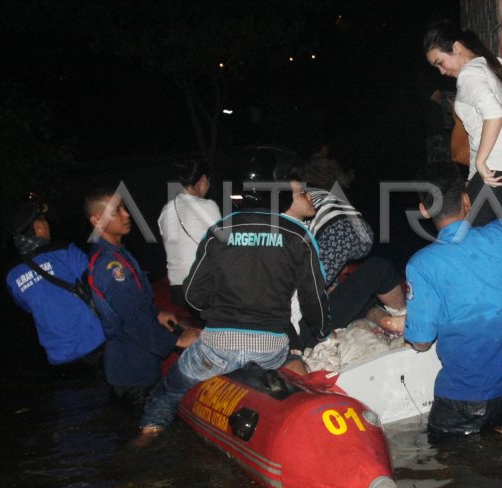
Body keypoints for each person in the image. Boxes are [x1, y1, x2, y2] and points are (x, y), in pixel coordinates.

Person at [138, 174, 329, 437]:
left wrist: (214, 310)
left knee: (168, 390)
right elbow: (314, 299)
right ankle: (307, 419)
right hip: (269, 350)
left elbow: (193, 295)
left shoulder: (219, 230)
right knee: (293, 360)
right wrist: (322, 333)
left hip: (218, 348)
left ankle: (147, 437)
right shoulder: (298, 234)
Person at [404, 149, 502, 442]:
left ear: (423, 209)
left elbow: (421, 343)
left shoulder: (421, 265)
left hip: (467, 402)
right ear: (466, 200)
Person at [86, 188, 200, 406]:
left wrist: (157, 313)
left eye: (125, 208)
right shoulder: (110, 265)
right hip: (132, 374)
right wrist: (177, 340)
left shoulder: (118, 254)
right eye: (116, 211)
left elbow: (133, 303)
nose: (127, 215)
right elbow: (131, 318)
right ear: (97, 220)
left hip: (136, 366)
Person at [424, 19, 502, 227]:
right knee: (482, 236)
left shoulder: (469, 74)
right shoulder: (495, 64)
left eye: (440, 62)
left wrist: (481, 163)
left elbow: (494, 115)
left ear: (456, 47)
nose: (441, 71)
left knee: (465, 237)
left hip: (496, 168)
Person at [5, 192, 105, 367]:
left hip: (60, 360)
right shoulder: (66, 252)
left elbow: (28, 307)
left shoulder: (12, 276)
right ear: (38, 228)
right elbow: (100, 285)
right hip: (98, 345)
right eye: (43, 220)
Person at [301, 182, 407, 333]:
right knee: (379, 269)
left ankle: (394, 321)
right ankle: (401, 323)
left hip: (336, 230)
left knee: (370, 279)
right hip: (304, 326)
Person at [157, 157, 221, 306]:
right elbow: (221, 245)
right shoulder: (209, 206)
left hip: (177, 290)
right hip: (201, 287)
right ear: (203, 180)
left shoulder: (166, 211)